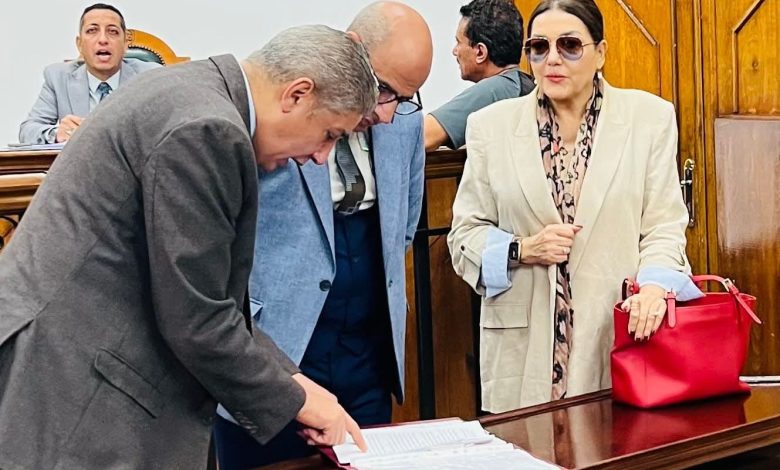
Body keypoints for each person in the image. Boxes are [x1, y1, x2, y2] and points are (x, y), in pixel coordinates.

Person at [0, 25, 376, 469]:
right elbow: (197, 317)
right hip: (76, 387)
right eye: (330, 134)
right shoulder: (207, 129)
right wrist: (299, 401)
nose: (320, 157)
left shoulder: (192, 91)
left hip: (73, 362)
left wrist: (296, 381)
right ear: (297, 94)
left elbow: (208, 296)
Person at [447, 0, 702, 414]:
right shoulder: (490, 127)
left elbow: (663, 226)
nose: (552, 59)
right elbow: (464, 235)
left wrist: (655, 289)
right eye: (539, 47)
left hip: (617, 343)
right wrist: (521, 249)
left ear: (600, 53)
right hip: (522, 356)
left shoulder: (649, 118)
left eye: (569, 45)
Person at [213, 2, 433, 468]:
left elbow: (405, 223)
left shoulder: (404, 117)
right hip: (278, 342)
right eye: (384, 90)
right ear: (353, 50)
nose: (388, 113)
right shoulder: (283, 101)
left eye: (405, 98)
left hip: (366, 351)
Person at [18, 3, 160, 144]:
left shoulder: (150, 76)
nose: (103, 40)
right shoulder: (58, 77)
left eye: (112, 31)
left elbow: (167, 130)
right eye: (92, 30)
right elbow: (28, 131)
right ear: (80, 44)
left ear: (125, 44)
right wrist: (57, 133)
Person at [424, 0, 534, 151]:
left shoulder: (496, 89)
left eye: (459, 42)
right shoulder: (522, 84)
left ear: (481, 52)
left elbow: (423, 136)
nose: (455, 51)